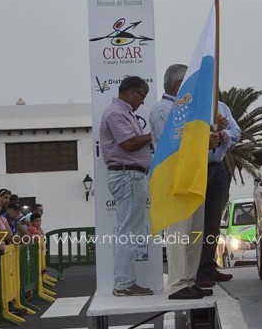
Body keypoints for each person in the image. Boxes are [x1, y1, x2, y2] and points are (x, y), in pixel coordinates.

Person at [150, 64, 211, 300]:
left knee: (194, 232)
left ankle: (190, 279)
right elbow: (175, 143)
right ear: (179, 85)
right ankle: (177, 284)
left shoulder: (186, 109)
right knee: (177, 233)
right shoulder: (163, 110)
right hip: (173, 177)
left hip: (191, 175)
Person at [99, 75, 154, 297]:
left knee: (130, 231)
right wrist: (153, 135)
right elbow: (128, 144)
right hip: (128, 176)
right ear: (131, 92)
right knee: (129, 232)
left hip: (130, 176)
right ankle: (123, 283)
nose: (142, 102)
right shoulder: (116, 113)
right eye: (142, 96)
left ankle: (125, 281)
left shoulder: (122, 113)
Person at [196, 94, 241, 285]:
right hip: (197, 169)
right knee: (197, 223)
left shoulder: (222, 107)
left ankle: (208, 266)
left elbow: (236, 131)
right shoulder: (192, 106)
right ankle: (195, 271)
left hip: (217, 167)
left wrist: (226, 134)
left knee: (214, 222)